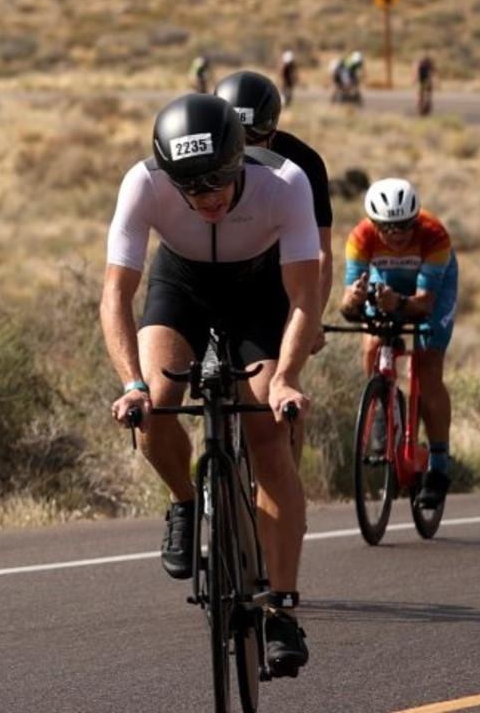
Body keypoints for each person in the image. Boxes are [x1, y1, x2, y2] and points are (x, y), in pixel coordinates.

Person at [100, 94, 320, 676]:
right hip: (183, 285)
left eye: (219, 179)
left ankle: (283, 611)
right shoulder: (142, 183)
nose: (208, 197)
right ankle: (183, 499)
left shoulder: (286, 181)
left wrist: (288, 379)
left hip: (258, 291)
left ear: (240, 157)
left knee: (269, 435)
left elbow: (304, 298)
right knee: (156, 411)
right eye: (190, 188)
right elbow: (116, 295)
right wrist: (131, 384)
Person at [215, 70, 334, 465]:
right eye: (237, 139)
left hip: (282, 272)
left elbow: (320, 252)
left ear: (274, 131)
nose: (246, 152)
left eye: (256, 140)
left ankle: (287, 482)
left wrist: (313, 317)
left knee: (280, 393)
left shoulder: (304, 164)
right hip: (222, 270)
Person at [339, 178, 458, 509]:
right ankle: (382, 403)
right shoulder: (360, 238)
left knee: (428, 366)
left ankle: (439, 467)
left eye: (404, 226)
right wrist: (354, 300)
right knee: (372, 342)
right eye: (387, 228)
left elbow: (425, 304)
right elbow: (349, 306)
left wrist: (400, 304)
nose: (396, 235)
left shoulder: (434, 234)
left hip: (432, 292)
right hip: (387, 284)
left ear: (416, 219)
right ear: (373, 224)